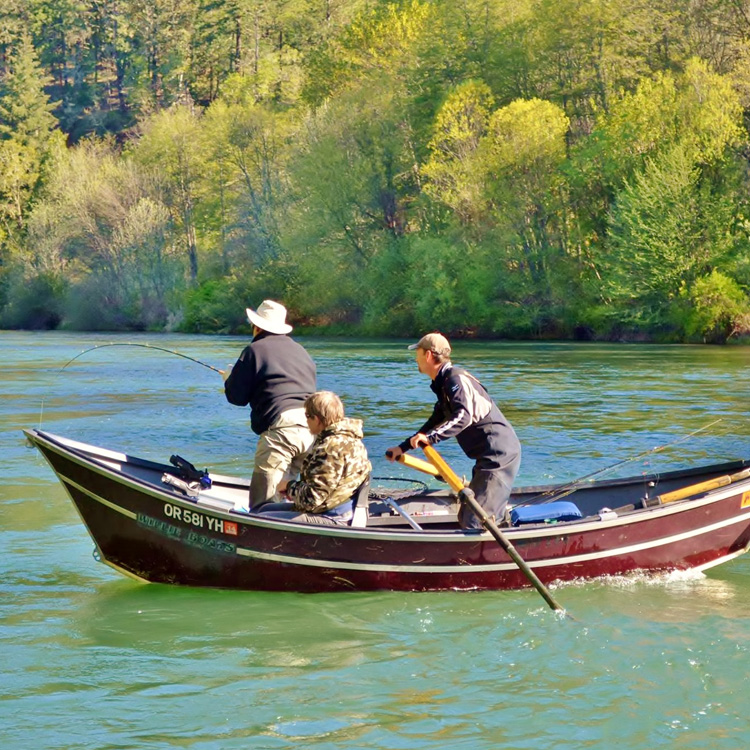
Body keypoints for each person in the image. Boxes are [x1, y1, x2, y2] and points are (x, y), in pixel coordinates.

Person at [385, 332, 521, 529]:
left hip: (499, 456)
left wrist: (430, 438)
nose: (416, 358)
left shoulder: (455, 379)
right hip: (487, 457)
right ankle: (500, 525)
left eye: (418, 353)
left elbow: (463, 416)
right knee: (469, 511)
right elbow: (436, 420)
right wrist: (403, 448)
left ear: (429, 355)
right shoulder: (443, 384)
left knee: (474, 520)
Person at [223, 299, 317, 509]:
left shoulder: (254, 350)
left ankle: (260, 535)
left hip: (281, 431)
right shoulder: (301, 351)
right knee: (295, 495)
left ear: (256, 326)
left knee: (263, 504)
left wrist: (229, 378)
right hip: (312, 429)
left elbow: (236, 397)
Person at [258, 391, 372, 525]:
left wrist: (289, 487)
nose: (305, 422)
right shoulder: (352, 440)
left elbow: (312, 499)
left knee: (260, 519)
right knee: (264, 509)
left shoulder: (330, 448)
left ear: (317, 419)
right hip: (337, 508)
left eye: (307, 416)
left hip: (333, 516)